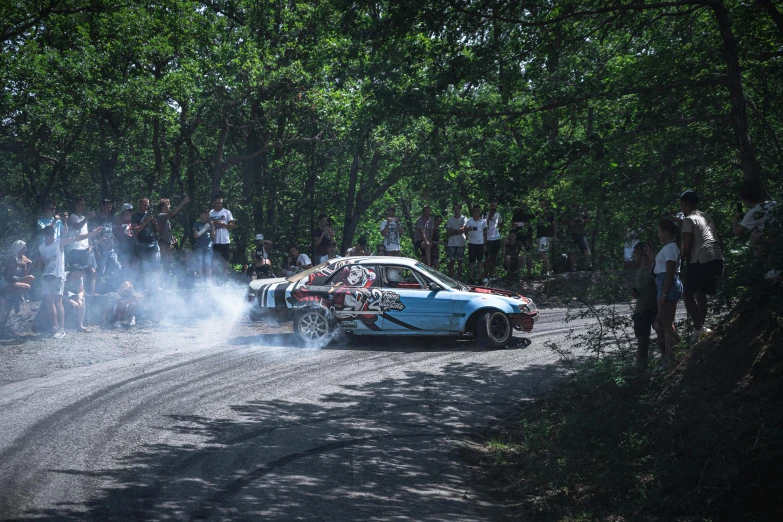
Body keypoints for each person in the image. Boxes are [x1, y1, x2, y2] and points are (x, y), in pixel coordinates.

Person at [38, 224, 102, 338]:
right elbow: (42, 264)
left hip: (57, 276)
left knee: (58, 302)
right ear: (44, 235)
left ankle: (62, 329)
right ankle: (54, 327)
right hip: (46, 277)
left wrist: (92, 234)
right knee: (49, 302)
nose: (51, 235)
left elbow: (76, 238)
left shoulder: (59, 242)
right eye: (49, 233)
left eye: (53, 233)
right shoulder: (41, 248)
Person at [679, 191, 723, 339]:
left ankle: (698, 328)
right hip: (717, 258)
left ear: (685, 204)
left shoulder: (689, 219)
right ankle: (701, 329)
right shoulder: (706, 216)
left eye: (682, 206)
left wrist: (675, 259)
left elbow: (687, 247)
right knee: (701, 292)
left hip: (701, 259)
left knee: (686, 294)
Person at [643, 218, 683, 370]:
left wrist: (664, 295)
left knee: (667, 324)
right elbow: (659, 267)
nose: (658, 235)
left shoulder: (671, 248)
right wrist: (650, 254)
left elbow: (670, 272)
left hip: (668, 286)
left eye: (659, 232)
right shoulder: (667, 247)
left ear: (666, 232)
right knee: (662, 324)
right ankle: (671, 356)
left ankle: (674, 357)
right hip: (663, 285)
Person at [631, 242, 664, 367]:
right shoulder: (639, 271)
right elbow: (638, 289)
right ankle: (641, 369)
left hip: (654, 308)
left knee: (661, 335)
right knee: (642, 341)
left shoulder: (654, 269)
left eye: (635, 253)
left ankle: (667, 361)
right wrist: (635, 293)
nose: (634, 256)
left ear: (641, 253)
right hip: (640, 311)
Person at [90, 199, 121, 295]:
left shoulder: (110, 219)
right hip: (102, 250)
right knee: (100, 272)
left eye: (110, 207)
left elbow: (113, 233)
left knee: (117, 268)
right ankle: (96, 291)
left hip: (111, 249)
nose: (109, 208)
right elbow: (96, 235)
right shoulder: (97, 220)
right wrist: (103, 246)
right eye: (107, 206)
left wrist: (114, 245)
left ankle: (112, 288)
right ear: (102, 207)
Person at [157, 195, 189, 284]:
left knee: (167, 266)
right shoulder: (161, 215)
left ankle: (165, 284)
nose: (169, 206)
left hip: (168, 244)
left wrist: (172, 241)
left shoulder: (165, 218)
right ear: (163, 206)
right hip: (164, 245)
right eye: (168, 204)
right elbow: (172, 214)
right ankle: (161, 285)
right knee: (165, 265)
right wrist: (182, 203)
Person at [131, 198, 161, 293]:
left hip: (153, 242)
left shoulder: (150, 215)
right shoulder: (135, 217)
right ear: (140, 205)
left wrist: (155, 223)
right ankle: (146, 287)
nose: (146, 207)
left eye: (147, 205)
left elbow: (158, 230)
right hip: (142, 244)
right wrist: (145, 222)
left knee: (156, 266)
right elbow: (136, 230)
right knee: (145, 268)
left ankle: (156, 286)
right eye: (144, 205)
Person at [209, 195, 236, 282]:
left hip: (224, 240)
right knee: (214, 262)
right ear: (213, 203)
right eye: (218, 203)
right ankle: (214, 280)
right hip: (214, 241)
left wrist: (222, 224)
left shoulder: (227, 212)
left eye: (221, 203)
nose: (220, 205)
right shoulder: (210, 213)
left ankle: (225, 280)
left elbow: (233, 225)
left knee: (225, 261)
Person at [565, 203, 592, 271]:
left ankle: (589, 265)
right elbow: (562, 220)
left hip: (581, 233)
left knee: (586, 248)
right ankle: (573, 268)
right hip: (571, 233)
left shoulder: (583, 209)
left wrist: (582, 221)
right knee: (572, 251)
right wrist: (570, 222)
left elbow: (589, 219)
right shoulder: (569, 209)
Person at [510, 202, 534, 278]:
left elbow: (533, 222)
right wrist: (518, 224)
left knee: (528, 254)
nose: (524, 203)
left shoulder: (530, 211)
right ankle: (515, 272)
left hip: (527, 237)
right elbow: (512, 223)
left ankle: (529, 273)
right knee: (516, 254)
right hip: (518, 236)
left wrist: (526, 224)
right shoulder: (517, 211)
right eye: (522, 202)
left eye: (525, 202)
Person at [114, 203, 136, 285]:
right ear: (123, 211)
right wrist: (116, 247)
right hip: (122, 245)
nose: (129, 212)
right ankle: (124, 284)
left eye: (131, 211)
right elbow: (115, 234)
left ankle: (133, 283)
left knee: (134, 265)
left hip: (132, 245)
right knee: (124, 266)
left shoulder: (133, 220)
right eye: (127, 211)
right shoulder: (118, 221)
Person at [466, 206, 488, 284]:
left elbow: (485, 233)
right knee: (472, 261)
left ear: (479, 212)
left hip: (480, 243)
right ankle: (471, 278)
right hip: (471, 243)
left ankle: (480, 278)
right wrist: (468, 229)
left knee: (480, 261)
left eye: (477, 211)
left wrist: (485, 244)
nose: (476, 212)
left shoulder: (483, 221)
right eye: (474, 211)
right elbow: (466, 230)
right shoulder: (469, 221)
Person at [63, 264, 89, 332]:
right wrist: (71, 302)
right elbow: (59, 294)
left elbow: (81, 291)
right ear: (73, 273)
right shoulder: (64, 277)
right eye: (80, 274)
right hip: (58, 296)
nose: (81, 275)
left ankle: (79, 326)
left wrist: (79, 299)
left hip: (67, 294)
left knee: (82, 300)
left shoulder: (80, 277)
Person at [192, 208, 215, 284]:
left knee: (207, 264)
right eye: (205, 215)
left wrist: (212, 227)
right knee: (200, 264)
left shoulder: (210, 225)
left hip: (208, 247)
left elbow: (213, 236)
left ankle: (208, 282)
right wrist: (205, 228)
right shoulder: (197, 224)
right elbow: (196, 236)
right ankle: (202, 282)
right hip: (199, 247)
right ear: (201, 215)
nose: (207, 216)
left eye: (208, 215)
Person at [535, 200, 558, 276]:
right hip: (539, 235)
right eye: (540, 203)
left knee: (542, 252)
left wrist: (554, 235)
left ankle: (548, 270)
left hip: (547, 235)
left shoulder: (550, 213)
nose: (542, 205)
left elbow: (554, 224)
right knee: (541, 252)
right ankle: (546, 269)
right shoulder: (537, 213)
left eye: (543, 204)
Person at [446, 203, 468, 279]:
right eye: (454, 208)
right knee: (452, 261)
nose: (456, 210)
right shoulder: (450, 219)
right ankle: (451, 278)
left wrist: (453, 231)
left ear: (460, 209)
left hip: (461, 242)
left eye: (457, 208)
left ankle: (459, 279)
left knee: (460, 262)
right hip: (451, 243)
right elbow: (448, 232)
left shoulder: (464, 218)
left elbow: (463, 229)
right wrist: (458, 231)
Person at [484, 201, 503, 281]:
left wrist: (499, 231)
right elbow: (484, 225)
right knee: (487, 257)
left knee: (493, 258)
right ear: (490, 206)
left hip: (496, 238)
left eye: (495, 206)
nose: (493, 207)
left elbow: (501, 224)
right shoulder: (485, 214)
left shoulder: (498, 215)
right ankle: (485, 276)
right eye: (492, 205)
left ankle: (491, 275)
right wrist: (488, 218)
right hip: (487, 239)